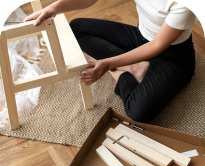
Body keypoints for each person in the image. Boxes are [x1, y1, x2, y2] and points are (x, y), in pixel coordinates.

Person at [25, 0, 196, 123]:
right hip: (139, 37)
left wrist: (109, 65)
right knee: (77, 28)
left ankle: (121, 70)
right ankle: (131, 66)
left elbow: (157, 45)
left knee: (139, 113)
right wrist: (54, 8)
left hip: (172, 57)